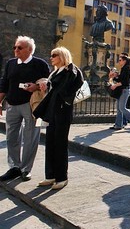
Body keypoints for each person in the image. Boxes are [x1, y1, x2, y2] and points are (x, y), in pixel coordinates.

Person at [33, 47, 83, 190]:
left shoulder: (71, 70)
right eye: (51, 55)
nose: (51, 58)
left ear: (62, 56)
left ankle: (62, 177)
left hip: (62, 111)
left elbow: (71, 88)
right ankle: (50, 175)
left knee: (60, 144)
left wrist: (53, 88)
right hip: (52, 111)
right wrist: (46, 85)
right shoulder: (55, 72)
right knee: (50, 142)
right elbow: (52, 90)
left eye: (54, 55)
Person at [0, 36, 49, 182]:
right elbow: (5, 83)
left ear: (29, 49)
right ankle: (14, 167)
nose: (16, 50)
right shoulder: (11, 64)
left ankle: (26, 169)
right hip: (12, 105)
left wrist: (35, 86)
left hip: (30, 105)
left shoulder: (40, 64)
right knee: (11, 137)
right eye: (15, 47)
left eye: (19, 47)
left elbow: (47, 82)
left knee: (30, 138)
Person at [110, 55, 130, 130]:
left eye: (120, 60)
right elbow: (121, 79)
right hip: (123, 90)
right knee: (119, 109)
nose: (119, 61)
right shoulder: (124, 69)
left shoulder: (126, 69)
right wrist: (115, 77)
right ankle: (118, 125)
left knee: (122, 108)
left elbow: (125, 82)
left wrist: (115, 85)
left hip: (124, 90)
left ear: (124, 61)